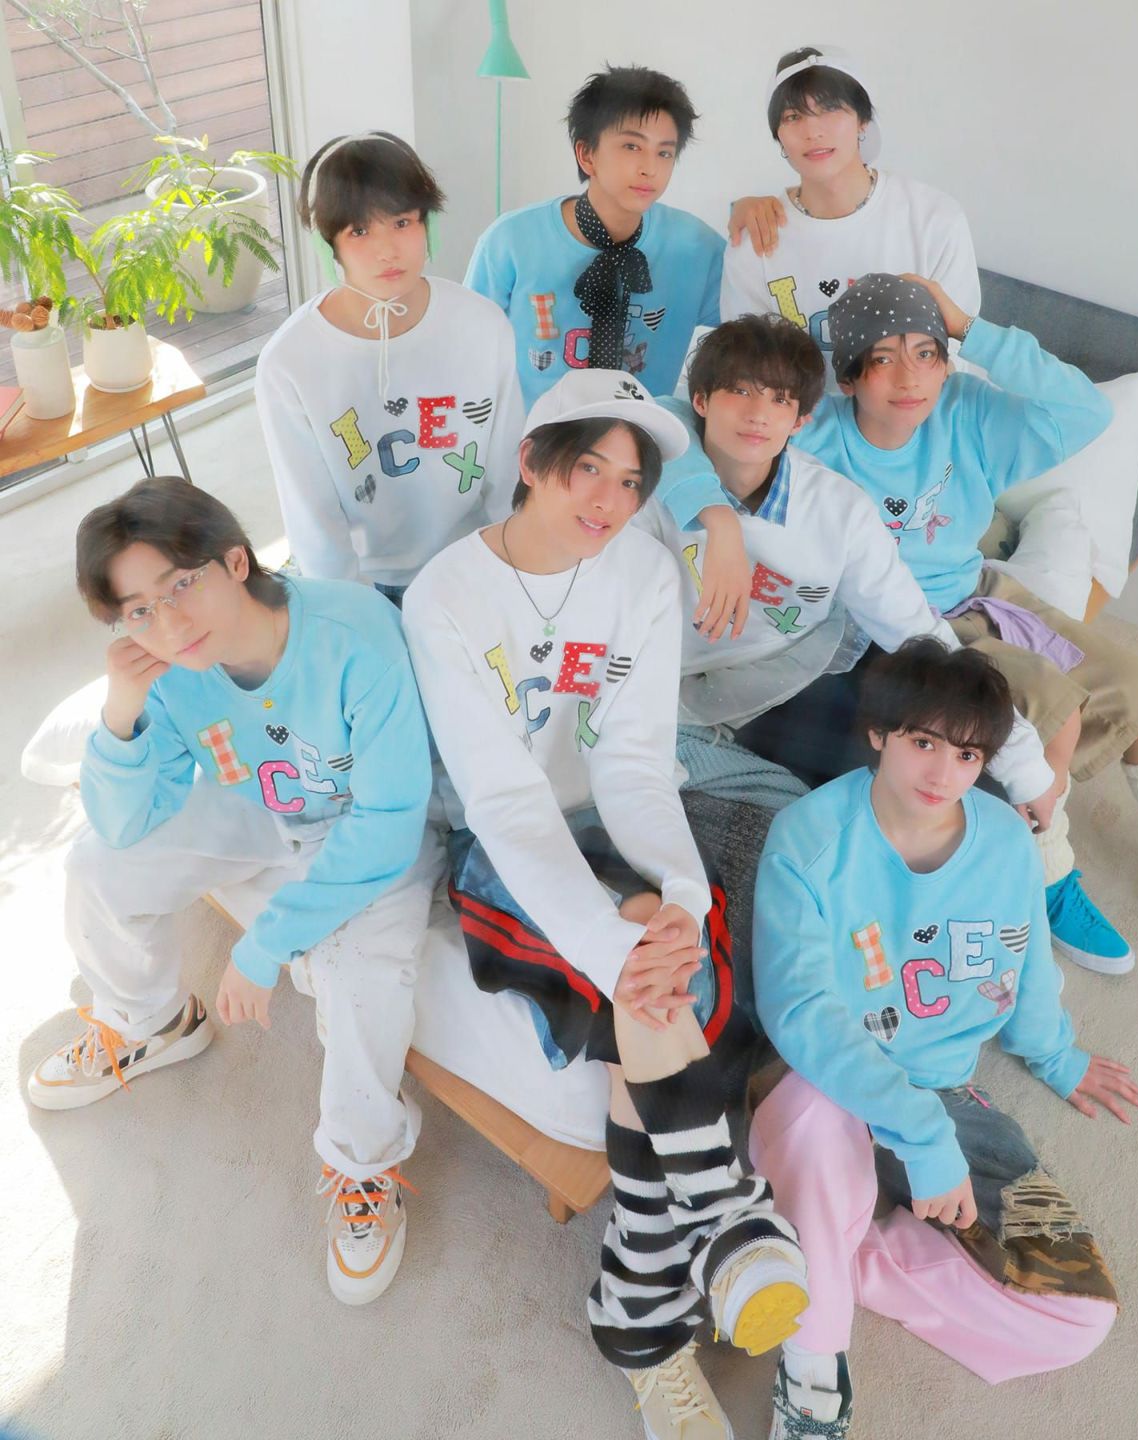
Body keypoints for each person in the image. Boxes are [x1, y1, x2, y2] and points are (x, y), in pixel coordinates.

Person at [404, 370, 808, 1439]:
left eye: (631, 483)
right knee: (651, 976)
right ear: (532, 463)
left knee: (684, 963)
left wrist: (675, 893)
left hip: (612, 814)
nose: (609, 500)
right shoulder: (445, 598)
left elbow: (633, 760)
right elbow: (503, 800)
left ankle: (639, 1318)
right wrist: (609, 932)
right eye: (588, 468)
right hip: (504, 841)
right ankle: (725, 1220)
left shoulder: (642, 572)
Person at [657, 271, 1138, 971]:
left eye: (927, 352)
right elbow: (668, 416)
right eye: (883, 358)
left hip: (974, 590)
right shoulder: (808, 437)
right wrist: (718, 519)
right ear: (848, 378)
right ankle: (1048, 878)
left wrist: (970, 326)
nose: (909, 375)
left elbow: (1083, 411)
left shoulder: (962, 414)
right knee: (1046, 719)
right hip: (891, 621)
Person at [28, 477, 441, 1307]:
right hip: (261, 806)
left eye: (180, 585)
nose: (167, 622)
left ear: (236, 561)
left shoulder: (353, 632)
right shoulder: (169, 673)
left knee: (361, 975)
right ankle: (147, 1021)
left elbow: (392, 817)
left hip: (370, 828)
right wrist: (120, 712)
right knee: (95, 866)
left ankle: (362, 1165)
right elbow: (125, 822)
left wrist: (266, 946)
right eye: (137, 610)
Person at [750, 639, 1138, 1440]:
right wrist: (921, 1138)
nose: (943, 772)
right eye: (923, 742)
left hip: (947, 1087)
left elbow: (1025, 958)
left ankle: (827, 1256)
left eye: (966, 755)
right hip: (825, 1083)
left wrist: (1057, 1056)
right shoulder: (808, 841)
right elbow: (802, 1015)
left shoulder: (1004, 839)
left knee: (1077, 1316)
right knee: (821, 1119)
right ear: (879, 734)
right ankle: (814, 1361)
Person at [638, 312, 1056, 823]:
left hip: (789, 675)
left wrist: (1024, 765)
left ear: (800, 421)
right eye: (740, 392)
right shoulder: (643, 477)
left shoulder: (839, 509)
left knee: (966, 793)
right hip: (668, 683)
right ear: (701, 401)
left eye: (779, 400)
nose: (758, 415)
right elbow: (646, 418)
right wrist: (718, 522)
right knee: (843, 814)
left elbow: (918, 634)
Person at [256, 131, 523, 603]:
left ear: (428, 225)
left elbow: (507, 474)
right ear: (327, 246)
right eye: (359, 231)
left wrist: (513, 572)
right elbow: (312, 521)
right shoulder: (290, 362)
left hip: (475, 562)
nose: (387, 250)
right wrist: (354, 615)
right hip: (366, 584)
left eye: (402, 222)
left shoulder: (484, 326)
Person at [464, 65, 725, 407]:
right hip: (538, 434)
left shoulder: (696, 246)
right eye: (631, 146)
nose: (650, 168)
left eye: (664, 152)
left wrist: (753, 218)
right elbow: (466, 352)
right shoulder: (510, 241)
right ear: (587, 154)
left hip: (646, 434)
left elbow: (758, 331)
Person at [723, 47, 979, 388]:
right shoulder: (755, 237)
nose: (813, 131)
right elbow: (746, 369)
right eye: (793, 117)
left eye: (830, 109)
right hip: (799, 419)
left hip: (914, 415)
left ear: (863, 120)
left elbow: (956, 353)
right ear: (778, 136)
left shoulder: (935, 220)